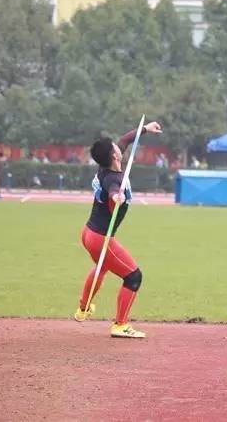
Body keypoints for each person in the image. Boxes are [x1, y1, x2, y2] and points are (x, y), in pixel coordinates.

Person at [74, 120, 163, 338]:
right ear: (114, 156)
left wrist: (145, 129)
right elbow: (112, 189)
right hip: (101, 238)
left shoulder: (108, 163)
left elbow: (125, 139)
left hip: (88, 233)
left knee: (102, 268)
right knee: (134, 277)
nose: (119, 146)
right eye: (115, 148)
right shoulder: (112, 178)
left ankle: (83, 308)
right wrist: (117, 196)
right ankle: (120, 325)